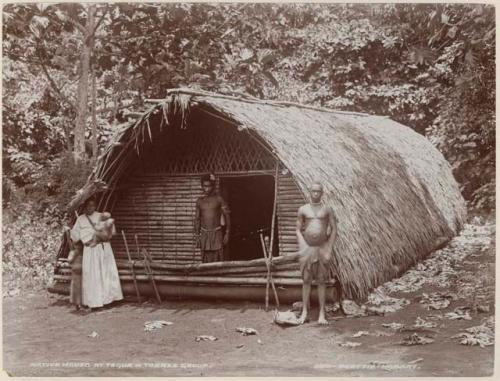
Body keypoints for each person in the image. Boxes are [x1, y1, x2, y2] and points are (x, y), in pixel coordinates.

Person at [70, 198, 123, 310]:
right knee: (93, 275)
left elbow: (112, 231)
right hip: (90, 249)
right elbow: (75, 237)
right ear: (84, 207)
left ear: (95, 206)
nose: (90, 208)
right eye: (88, 206)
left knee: (106, 273)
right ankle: (95, 302)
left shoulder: (101, 216)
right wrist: (70, 231)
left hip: (103, 248)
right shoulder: (80, 219)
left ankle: (109, 300)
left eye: (92, 206)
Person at [296, 181, 337, 325]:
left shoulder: (327, 209)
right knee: (306, 280)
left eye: (318, 191)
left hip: (321, 248)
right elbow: (298, 229)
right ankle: (305, 313)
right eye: (313, 191)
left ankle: (321, 314)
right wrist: (302, 246)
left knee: (321, 281)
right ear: (310, 192)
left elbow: (334, 229)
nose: (316, 193)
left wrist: (329, 248)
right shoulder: (303, 209)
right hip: (307, 249)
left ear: (322, 193)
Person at [194, 174, 231, 263]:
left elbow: (227, 216)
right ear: (202, 186)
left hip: (217, 234)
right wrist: (197, 235)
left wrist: (227, 233)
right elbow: (197, 219)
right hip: (204, 234)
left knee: (218, 258)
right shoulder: (199, 201)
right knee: (205, 258)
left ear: (213, 186)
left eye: (209, 186)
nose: (207, 189)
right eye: (204, 186)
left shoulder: (219, 199)